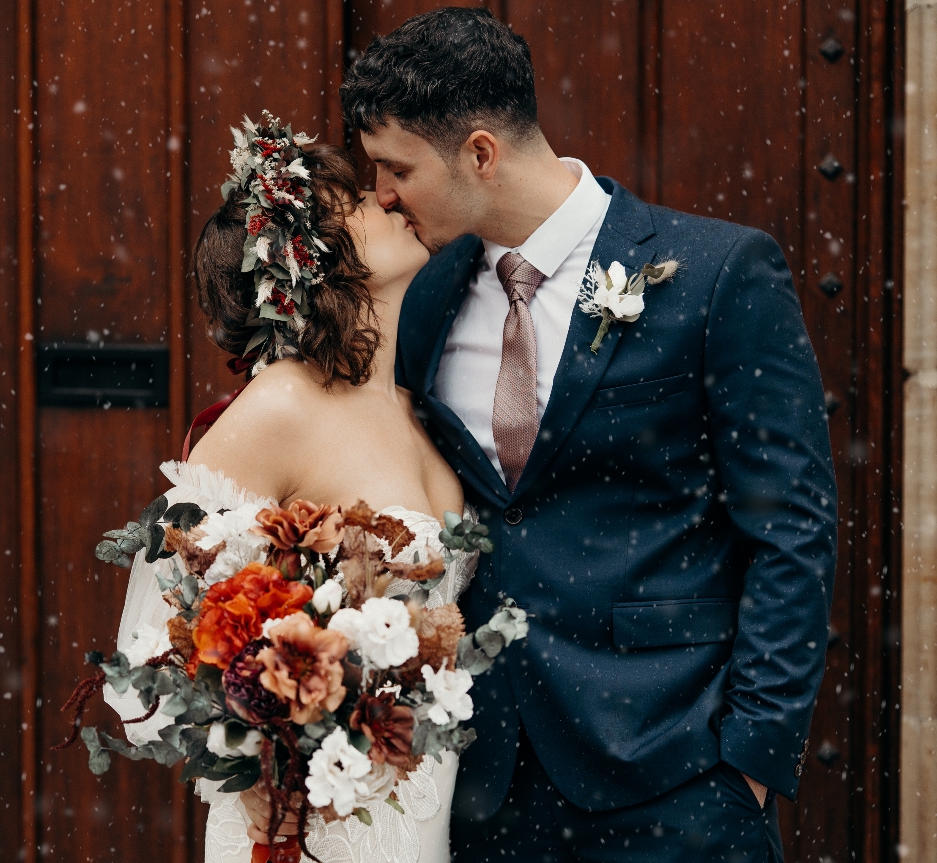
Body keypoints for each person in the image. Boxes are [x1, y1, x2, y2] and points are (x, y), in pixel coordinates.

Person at [338, 8, 837, 862]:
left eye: (396, 168)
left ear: (481, 153)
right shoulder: (423, 298)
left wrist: (753, 756)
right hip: (484, 783)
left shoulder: (720, 273)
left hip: (675, 773)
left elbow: (792, 529)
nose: (382, 195)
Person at [109, 135, 475, 862]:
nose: (388, 197)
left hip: (424, 810)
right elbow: (145, 664)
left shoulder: (418, 408)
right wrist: (271, 721)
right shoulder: (280, 404)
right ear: (310, 256)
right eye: (360, 203)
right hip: (312, 826)